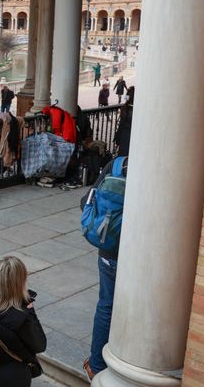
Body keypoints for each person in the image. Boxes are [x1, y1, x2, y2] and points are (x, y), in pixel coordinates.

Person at [83, 157, 128, 380]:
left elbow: (85, 201)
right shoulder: (158, 173)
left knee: (106, 306)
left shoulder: (118, 165)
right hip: (139, 258)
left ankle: (97, 366)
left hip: (109, 253)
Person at [0, 256, 46, 387]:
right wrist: (32, 313)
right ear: (19, 282)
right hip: (10, 378)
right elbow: (40, 345)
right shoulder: (22, 316)